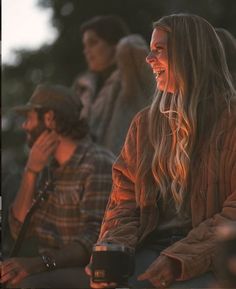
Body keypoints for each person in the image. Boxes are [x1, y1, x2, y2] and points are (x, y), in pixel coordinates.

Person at [86, 13, 236, 288]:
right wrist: (113, 250)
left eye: (159, 50)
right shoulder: (144, 125)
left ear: (189, 53)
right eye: (150, 49)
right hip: (149, 249)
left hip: (213, 258)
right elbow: (123, 202)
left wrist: (180, 258)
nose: (148, 58)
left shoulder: (231, 120)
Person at [0, 84, 115, 288]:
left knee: (27, 286)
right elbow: (19, 230)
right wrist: (31, 172)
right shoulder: (46, 167)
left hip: (88, 271)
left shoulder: (98, 163)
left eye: (29, 117)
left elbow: (95, 238)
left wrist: (37, 264)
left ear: (49, 118)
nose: (24, 126)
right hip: (50, 267)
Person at [72, 15, 155, 156]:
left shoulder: (132, 76)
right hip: (93, 172)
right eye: (84, 46)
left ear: (114, 43)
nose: (86, 51)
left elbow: (129, 46)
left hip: (126, 168)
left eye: (93, 43)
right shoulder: (84, 87)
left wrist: (122, 44)